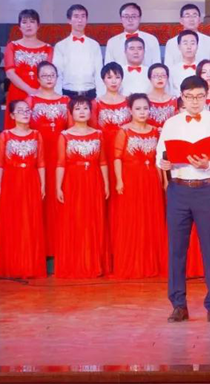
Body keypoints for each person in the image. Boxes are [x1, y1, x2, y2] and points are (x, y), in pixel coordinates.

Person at [156, 75, 210, 323]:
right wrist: (163, 163)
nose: (195, 101)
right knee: (177, 249)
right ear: (182, 97)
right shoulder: (171, 123)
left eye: (199, 96)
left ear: (206, 96)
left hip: (206, 189)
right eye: (189, 97)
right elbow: (160, 154)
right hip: (178, 189)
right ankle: (178, 305)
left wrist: (208, 164)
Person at [112, 93, 167, 278]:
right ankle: (132, 264)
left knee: (151, 219)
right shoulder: (124, 131)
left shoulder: (156, 131)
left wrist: (163, 180)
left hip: (151, 178)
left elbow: (158, 159)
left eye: (145, 108)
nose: (142, 112)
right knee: (132, 219)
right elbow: (117, 158)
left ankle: (151, 263)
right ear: (130, 110)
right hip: (131, 178)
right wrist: (119, 180)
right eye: (138, 109)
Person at [55, 95, 110, 278]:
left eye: (85, 108)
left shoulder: (98, 134)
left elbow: (103, 162)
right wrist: (58, 187)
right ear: (71, 113)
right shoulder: (65, 135)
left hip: (94, 179)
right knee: (75, 220)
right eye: (77, 108)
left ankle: (93, 264)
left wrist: (106, 184)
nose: (82, 112)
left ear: (90, 112)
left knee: (93, 221)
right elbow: (61, 163)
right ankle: (75, 264)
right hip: (73, 181)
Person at [0, 100, 46, 278]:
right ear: (12, 115)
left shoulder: (36, 135)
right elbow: (0, 163)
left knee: (30, 222)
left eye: (27, 110)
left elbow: (41, 162)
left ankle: (30, 266)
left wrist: (43, 184)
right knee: (13, 222)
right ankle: (12, 266)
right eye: (20, 110)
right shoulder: (5, 136)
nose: (25, 113)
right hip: (11, 180)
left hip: (31, 179)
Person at [26, 62, 69, 256]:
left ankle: (61, 246)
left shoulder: (66, 101)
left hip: (61, 156)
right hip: (39, 156)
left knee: (60, 197)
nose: (49, 78)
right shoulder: (31, 101)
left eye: (52, 75)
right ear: (37, 78)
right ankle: (41, 248)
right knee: (40, 198)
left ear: (57, 77)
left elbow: (71, 131)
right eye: (44, 75)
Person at [92, 62, 131, 235]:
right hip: (105, 152)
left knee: (123, 190)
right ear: (103, 80)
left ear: (122, 79)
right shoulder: (96, 103)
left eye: (117, 77)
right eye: (109, 77)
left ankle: (123, 231)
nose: (113, 81)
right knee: (106, 190)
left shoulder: (129, 101)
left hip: (125, 153)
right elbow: (94, 131)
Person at [4, 9, 53, 128]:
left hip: (41, 93)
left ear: (38, 25)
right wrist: (30, 90)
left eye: (32, 21)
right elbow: (10, 73)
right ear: (19, 27)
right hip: (17, 92)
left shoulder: (48, 48)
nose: (28, 25)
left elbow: (49, 74)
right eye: (24, 22)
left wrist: (38, 92)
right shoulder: (12, 46)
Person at [53, 4, 104, 98]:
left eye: (83, 16)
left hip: (90, 93)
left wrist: (100, 96)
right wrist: (58, 96)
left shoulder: (94, 45)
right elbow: (58, 74)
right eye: (76, 16)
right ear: (69, 20)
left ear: (86, 20)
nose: (80, 20)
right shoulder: (60, 46)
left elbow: (99, 73)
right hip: (67, 94)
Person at [105, 2, 161, 67]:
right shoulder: (112, 42)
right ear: (121, 19)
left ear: (140, 18)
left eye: (134, 16)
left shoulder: (152, 40)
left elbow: (157, 67)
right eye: (126, 17)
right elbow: (108, 69)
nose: (130, 20)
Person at [146, 63, 179, 130]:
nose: (160, 78)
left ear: (167, 78)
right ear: (149, 79)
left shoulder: (175, 100)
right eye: (156, 76)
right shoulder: (144, 100)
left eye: (163, 75)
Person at [168, 30, 201, 96]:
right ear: (179, 47)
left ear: (197, 46)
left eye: (192, 43)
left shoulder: (203, 68)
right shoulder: (172, 70)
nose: (189, 47)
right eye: (185, 43)